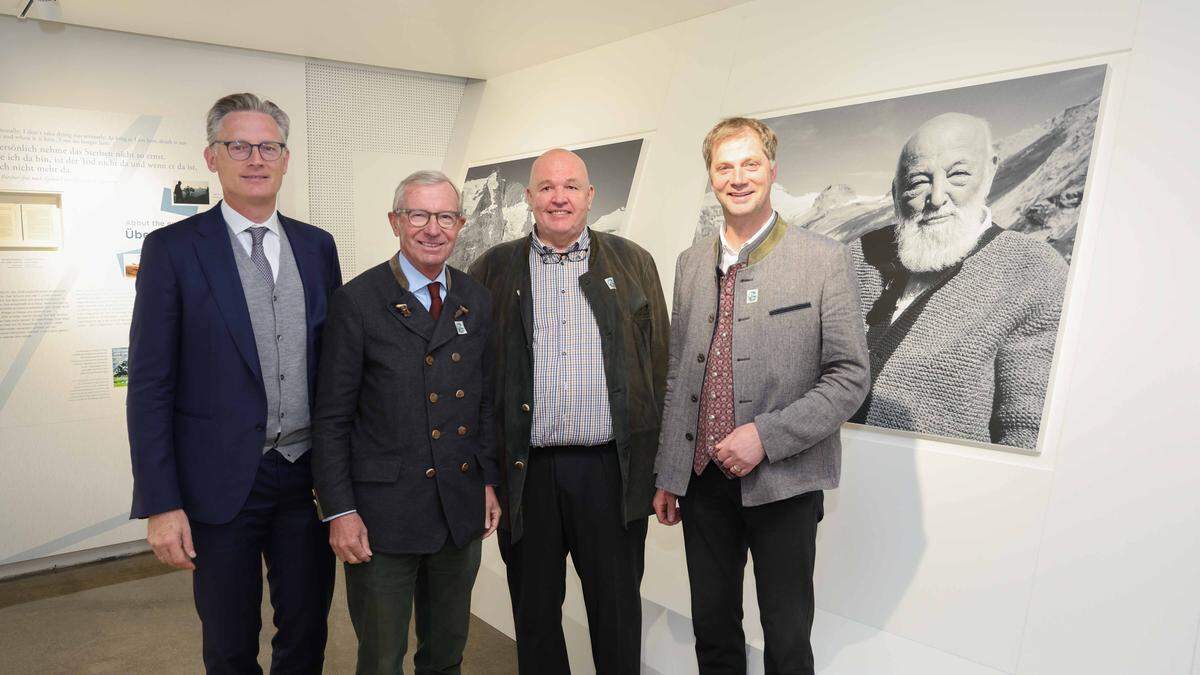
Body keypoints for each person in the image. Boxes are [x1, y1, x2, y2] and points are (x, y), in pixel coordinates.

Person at [127, 93, 341, 673]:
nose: (254, 158)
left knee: (307, 630)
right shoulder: (172, 251)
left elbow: (335, 370)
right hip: (219, 484)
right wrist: (161, 503)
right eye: (238, 145)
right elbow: (149, 384)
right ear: (211, 157)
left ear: (286, 158)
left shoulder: (317, 247)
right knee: (228, 639)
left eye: (267, 146)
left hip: (306, 479)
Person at [652, 117, 870, 675]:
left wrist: (765, 438)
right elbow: (680, 373)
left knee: (787, 636)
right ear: (711, 177)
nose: (738, 177)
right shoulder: (689, 263)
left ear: (772, 170)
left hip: (785, 484)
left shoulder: (824, 260)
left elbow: (849, 377)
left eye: (750, 164)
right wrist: (670, 473)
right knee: (713, 630)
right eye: (724, 167)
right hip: (703, 487)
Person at [468, 148, 669, 674]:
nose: (559, 197)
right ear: (530, 197)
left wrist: (663, 468)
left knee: (618, 610)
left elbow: (659, 367)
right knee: (534, 614)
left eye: (571, 186)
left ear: (589, 197)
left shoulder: (632, 263)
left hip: (610, 471)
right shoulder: (494, 267)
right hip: (525, 472)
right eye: (547, 187)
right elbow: (476, 381)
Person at [311, 170, 502, 674]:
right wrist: (339, 510)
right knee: (381, 658)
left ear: (460, 224)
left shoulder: (475, 299)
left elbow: (482, 401)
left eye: (445, 216)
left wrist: (485, 479)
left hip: (457, 510)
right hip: (381, 517)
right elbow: (331, 418)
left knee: (446, 653)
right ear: (396, 221)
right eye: (419, 215)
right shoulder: (357, 302)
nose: (432, 229)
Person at [850, 112, 1068, 450]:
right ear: (895, 192)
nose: (937, 198)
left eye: (958, 175)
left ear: (990, 171)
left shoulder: (1034, 271)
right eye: (918, 181)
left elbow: (1027, 431)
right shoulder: (858, 255)